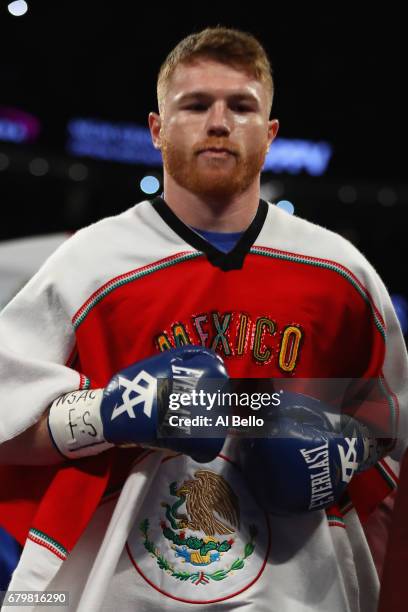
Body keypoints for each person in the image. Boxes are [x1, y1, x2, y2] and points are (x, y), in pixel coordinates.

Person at [0, 26, 407, 612]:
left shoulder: (342, 272)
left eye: (241, 107)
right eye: (195, 105)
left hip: (300, 592)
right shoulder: (86, 264)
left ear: (269, 135)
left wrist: (350, 451)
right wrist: (107, 412)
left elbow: (393, 423)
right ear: (157, 129)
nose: (219, 122)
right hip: (120, 587)